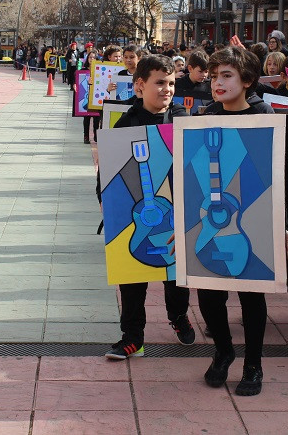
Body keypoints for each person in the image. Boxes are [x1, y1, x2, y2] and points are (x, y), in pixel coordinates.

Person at [198, 46, 288, 396]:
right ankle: (223, 350)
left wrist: (282, 226)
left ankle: (253, 365)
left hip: (253, 221)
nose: (217, 83)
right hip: (213, 223)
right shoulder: (206, 116)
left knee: (251, 296)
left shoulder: (265, 115)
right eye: (213, 77)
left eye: (226, 75)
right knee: (209, 295)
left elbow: (278, 178)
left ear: (248, 80)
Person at [106, 55, 194, 360]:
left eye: (171, 83)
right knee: (131, 281)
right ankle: (133, 337)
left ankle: (178, 316)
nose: (167, 89)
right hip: (137, 216)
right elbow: (110, 171)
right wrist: (109, 205)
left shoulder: (183, 121)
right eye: (160, 83)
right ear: (140, 86)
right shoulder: (126, 122)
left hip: (177, 214)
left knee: (177, 276)